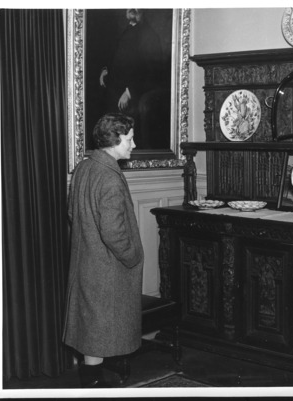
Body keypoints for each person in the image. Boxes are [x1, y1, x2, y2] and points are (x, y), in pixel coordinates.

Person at [63, 113, 144, 388]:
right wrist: (133, 256)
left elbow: (72, 213)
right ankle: (94, 387)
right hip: (107, 270)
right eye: (130, 139)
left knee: (92, 333)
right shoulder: (109, 177)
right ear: (115, 139)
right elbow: (113, 232)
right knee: (100, 330)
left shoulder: (84, 167)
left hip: (87, 264)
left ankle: (92, 384)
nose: (133, 144)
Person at [99, 9, 167, 148]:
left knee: (124, 131)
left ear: (143, 11)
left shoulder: (149, 35)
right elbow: (117, 56)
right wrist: (105, 70)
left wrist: (129, 92)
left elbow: (153, 73)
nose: (133, 11)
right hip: (116, 88)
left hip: (136, 93)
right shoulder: (127, 31)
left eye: (137, 9)